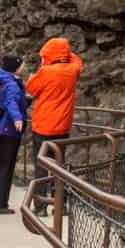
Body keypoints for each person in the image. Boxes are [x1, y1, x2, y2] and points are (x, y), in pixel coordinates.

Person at [25, 37, 84, 210]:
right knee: (60, 166)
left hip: (43, 125)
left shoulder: (47, 72)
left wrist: (45, 64)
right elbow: (78, 61)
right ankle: (60, 205)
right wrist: (66, 53)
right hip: (63, 126)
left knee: (41, 166)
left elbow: (31, 88)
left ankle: (41, 205)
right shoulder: (73, 70)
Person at [0, 54, 28, 216]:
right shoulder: (11, 84)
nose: (24, 67)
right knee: (6, 166)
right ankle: (0, 203)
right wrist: (18, 117)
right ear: (15, 67)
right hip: (8, 130)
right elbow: (10, 101)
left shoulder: (2, 80)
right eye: (22, 65)